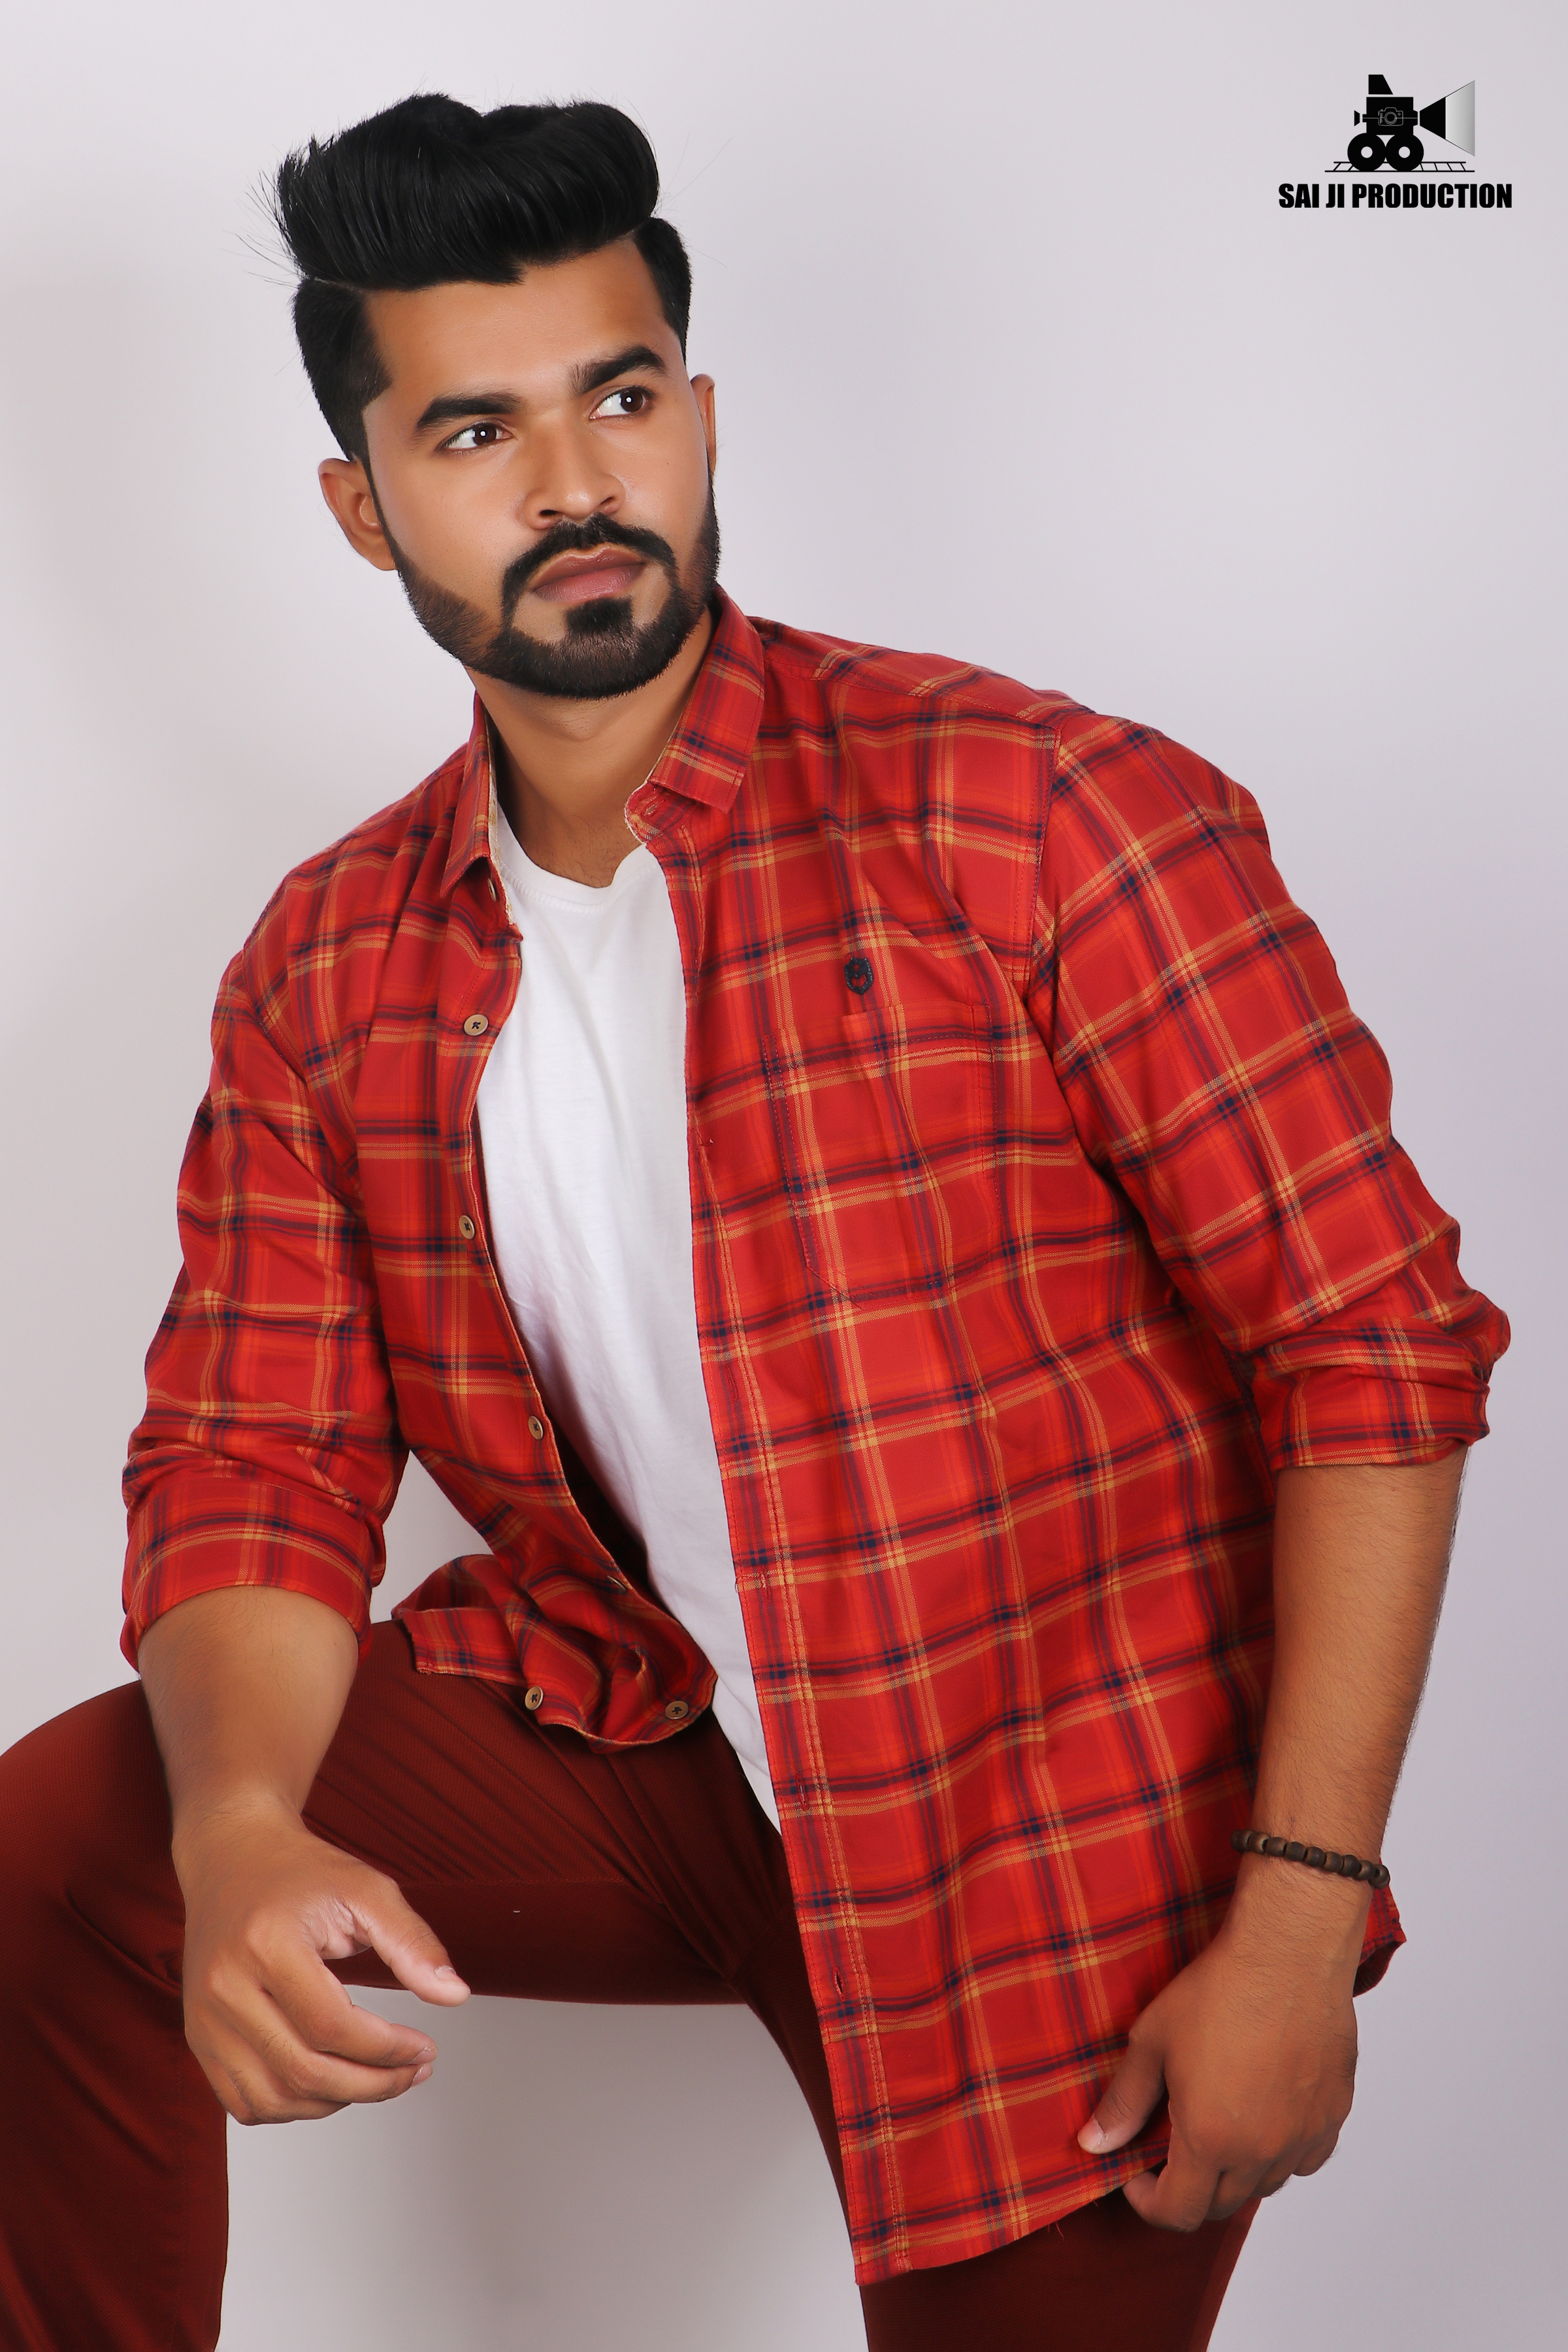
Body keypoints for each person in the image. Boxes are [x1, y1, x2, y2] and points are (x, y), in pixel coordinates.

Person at [0, 94, 1507, 2352]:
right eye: (476, 431)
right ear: (363, 503)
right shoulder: (327, 963)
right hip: (654, 1744)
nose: (574, 483)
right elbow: (254, 1460)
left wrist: (1296, 1924)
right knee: (68, 1848)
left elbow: (1369, 1351)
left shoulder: (1046, 816)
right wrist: (234, 1835)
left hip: (1047, 1821)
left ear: (699, 420)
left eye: (619, 400)